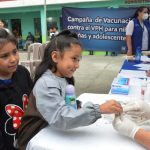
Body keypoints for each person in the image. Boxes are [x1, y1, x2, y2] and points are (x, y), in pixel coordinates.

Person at [17, 30, 123, 150]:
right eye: (74, 59)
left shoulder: (63, 77)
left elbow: (66, 104)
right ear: (55, 57)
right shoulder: (46, 84)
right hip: (34, 137)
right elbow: (60, 118)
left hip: (51, 131)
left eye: (79, 60)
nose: (77, 65)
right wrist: (99, 109)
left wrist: (79, 106)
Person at [0, 28, 33, 149]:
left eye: (15, 52)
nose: (13, 59)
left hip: (29, 139)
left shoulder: (22, 73)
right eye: (4, 56)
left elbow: (36, 98)